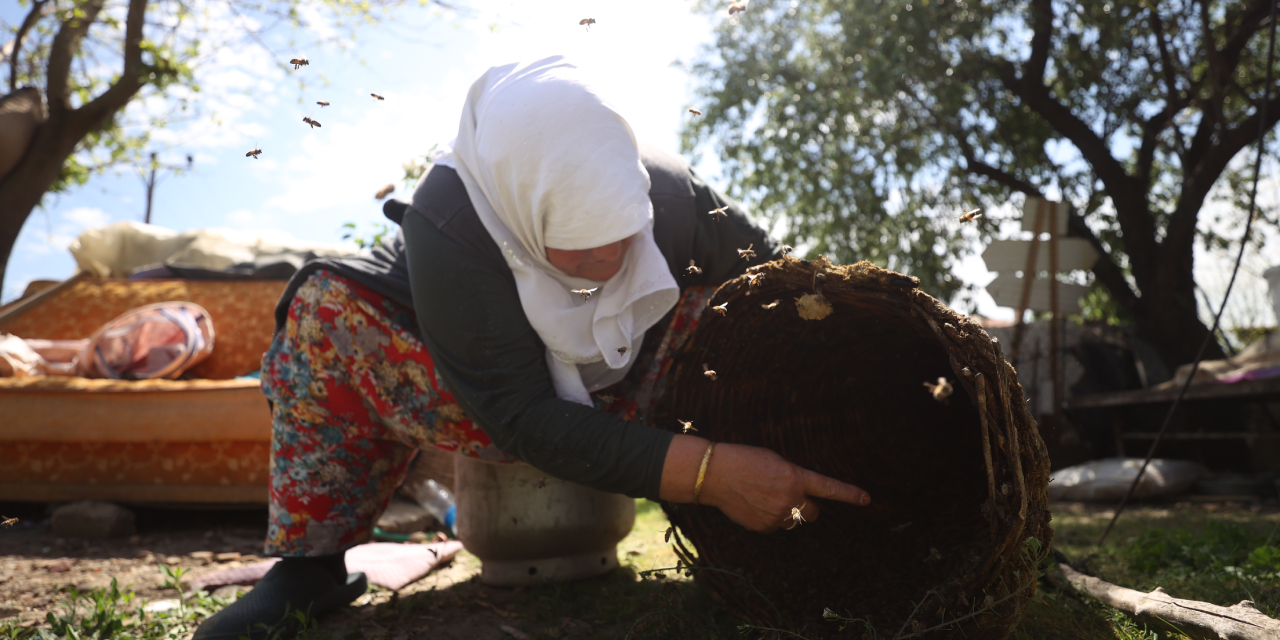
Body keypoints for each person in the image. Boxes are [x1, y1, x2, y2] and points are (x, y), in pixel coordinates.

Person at [194, 56, 870, 640]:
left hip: (639, 369)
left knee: (754, 308)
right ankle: (309, 568)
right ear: (522, 206)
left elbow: (792, 285)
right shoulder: (452, 221)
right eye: (580, 238)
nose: (610, 257)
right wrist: (711, 473)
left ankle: (794, 530)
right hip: (478, 387)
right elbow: (522, 414)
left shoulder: (675, 197)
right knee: (321, 312)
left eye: (622, 231)